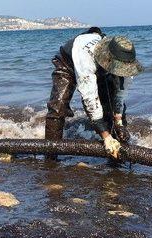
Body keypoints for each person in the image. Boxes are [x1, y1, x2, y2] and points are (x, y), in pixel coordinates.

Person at [45, 27, 143, 159]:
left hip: (101, 67)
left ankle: (117, 157)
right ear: (109, 60)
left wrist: (118, 121)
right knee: (58, 107)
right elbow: (90, 99)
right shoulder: (86, 57)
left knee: (110, 107)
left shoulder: (125, 63)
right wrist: (106, 137)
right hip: (67, 63)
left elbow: (120, 95)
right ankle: (50, 158)